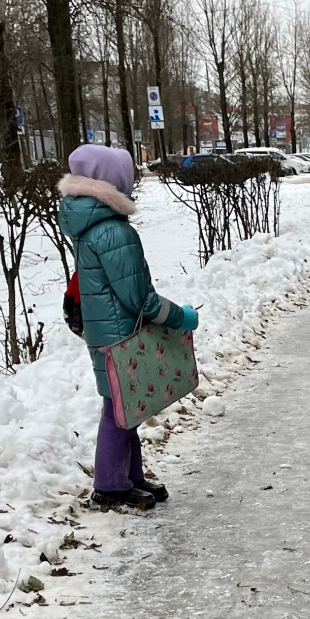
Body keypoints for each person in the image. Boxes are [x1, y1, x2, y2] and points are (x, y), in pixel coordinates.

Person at [59, 144, 200, 510]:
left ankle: (129, 478)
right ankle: (110, 484)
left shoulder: (93, 225)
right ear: (115, 182)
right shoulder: (114, 232)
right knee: (118, 412)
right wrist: (181, 317)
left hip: (107, 330)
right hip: (121, 334)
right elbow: (140, 300)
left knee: (126, 407)